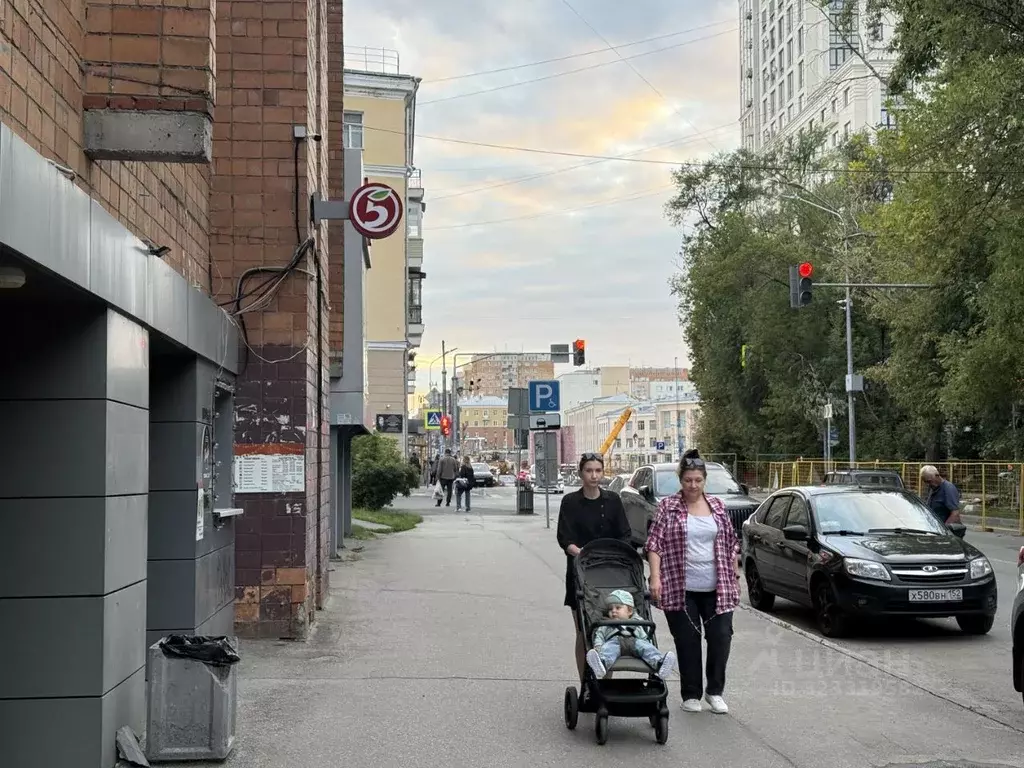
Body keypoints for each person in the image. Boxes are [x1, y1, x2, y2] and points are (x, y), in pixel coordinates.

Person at [645, 448, 740, 715]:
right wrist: (655, 578)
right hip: (680, 586)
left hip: (718, 586)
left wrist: (735, 574)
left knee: (721, 638)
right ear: (681, 480)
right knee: (687, 641)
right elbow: (655, 544)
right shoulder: (668, 506)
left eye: (698, 480)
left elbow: (731, 543)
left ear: (704, 480)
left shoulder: (718, 506)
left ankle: (715, 692)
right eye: (688, 480)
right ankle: (691, 694)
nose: (693, 485)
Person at [556, 452, 632, 683]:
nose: (594, 475)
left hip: (610, 574)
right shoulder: (570, 502)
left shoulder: (612, 501)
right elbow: (564, 537)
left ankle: (605, 682)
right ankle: (585, 683)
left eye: (598, 470)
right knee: (583, 631)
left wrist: (617, 553)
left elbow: (625, 534)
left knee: (609, 629)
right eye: (589, 471)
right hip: (581, 573)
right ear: (581, 473)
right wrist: (580, 552)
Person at [586, 589, 677, 680]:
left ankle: (659, 664)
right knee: (608, 649)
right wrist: (598, 647)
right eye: (610, 609)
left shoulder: (638, 622)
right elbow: (600, 635)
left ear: (629, 611)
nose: (613, 611)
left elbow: (644, 635)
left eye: (618, 608)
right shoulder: (606, 624)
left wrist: (647, 643)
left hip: (636, 642)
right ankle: (602, 663)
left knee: (647, 648)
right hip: (615, 642)